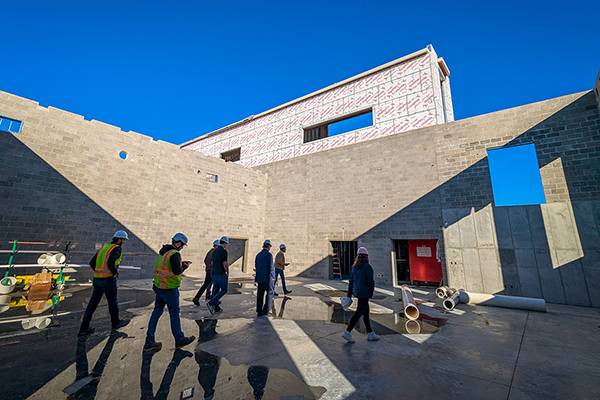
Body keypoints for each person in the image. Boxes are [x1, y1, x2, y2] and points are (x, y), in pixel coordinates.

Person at [144, 233, 196, 352]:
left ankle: (149, 340)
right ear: (178, 243)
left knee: (156, 312)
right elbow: (177, 272)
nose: (182, 247)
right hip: (170, 288)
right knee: (174, 313)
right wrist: (184, 266)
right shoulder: (175, 254)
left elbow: (163, 269)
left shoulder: (162, 252)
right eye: (182, 245)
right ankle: (179, 338)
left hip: (159, 286)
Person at [78, 230, 130, 336]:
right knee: (112, 302)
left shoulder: (104, 248)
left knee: (92, 304)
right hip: (108, 280)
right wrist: (115, 272)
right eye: (123, 240)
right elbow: (111, 263)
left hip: (97, 280)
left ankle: (84, 328)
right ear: (119, 240)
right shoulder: (116, 248)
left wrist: (99, 272)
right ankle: (115, 323)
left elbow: (92, 263)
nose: (124, 242)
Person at [342, 247, 380, 343]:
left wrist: (349, 295)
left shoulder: (354, 267)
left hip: (357, 292)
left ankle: (370, 333)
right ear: (366, 256)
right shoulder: (367, 267)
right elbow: (370, 282)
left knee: (366, 311)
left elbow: (351, 282)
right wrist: (371, 292)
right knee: (359, 312)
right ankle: (347, 331)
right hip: (365, 293)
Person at [206, 236, 229, 314]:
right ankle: (211, 303)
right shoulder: (224, 251)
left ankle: (216, 308)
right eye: (227, 244)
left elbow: (212, 262)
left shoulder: (215, 251)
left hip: (214, 274)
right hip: (220, 274)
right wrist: (227, 272)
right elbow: (224, 263)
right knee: (224, 290)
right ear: (225, 243)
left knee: (215, 291)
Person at [193, 239, 219, 306]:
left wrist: (208, 267)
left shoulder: (210, 251)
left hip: (209, 270)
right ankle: (214, 300)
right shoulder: (214, 252)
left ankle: (197, 297)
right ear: (216, 246)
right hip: (212, 271)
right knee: (216, 285)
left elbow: (205, 260)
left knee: (206, 284)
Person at [254, 240, 273, 317]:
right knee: (269, 294)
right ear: (268, 246)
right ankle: (265, 310)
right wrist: (273, 278)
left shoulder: (258, 255)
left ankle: (259, 311)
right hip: (267, 279)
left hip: (260, 278)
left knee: (260, 295)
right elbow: (271, 267)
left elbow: (256, 266)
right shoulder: (269, 255)